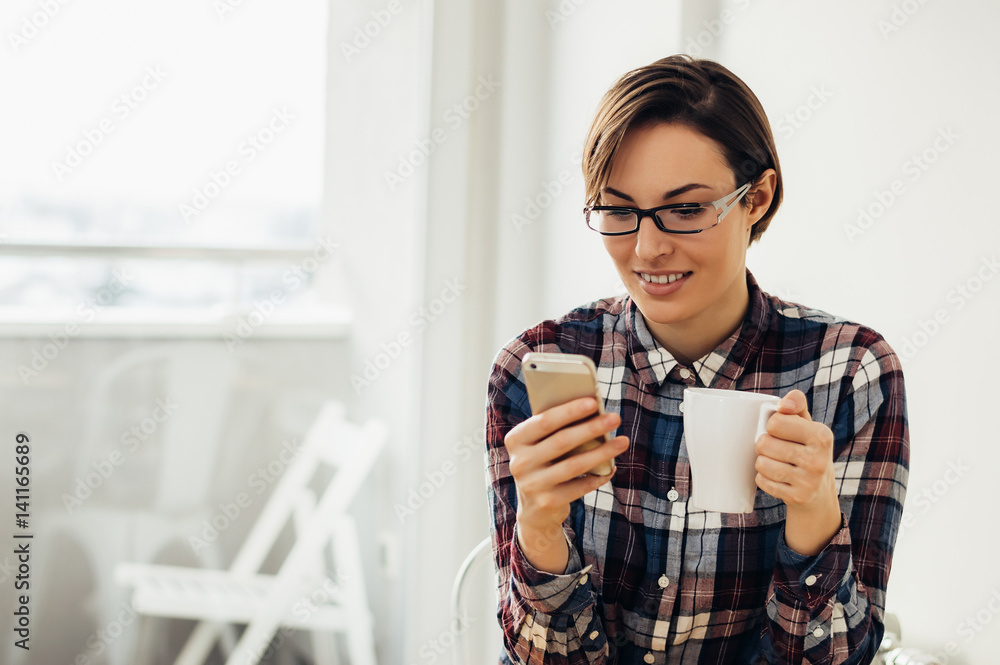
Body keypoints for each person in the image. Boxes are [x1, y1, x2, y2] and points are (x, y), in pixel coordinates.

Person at [484, 55, 908, 665]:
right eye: (619, 210)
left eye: (685, 210)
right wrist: (541, 533)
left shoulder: (850, 373)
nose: (647, 248)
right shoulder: (535, 364)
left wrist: (814, 517)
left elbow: (838, 658)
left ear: (757, 198)